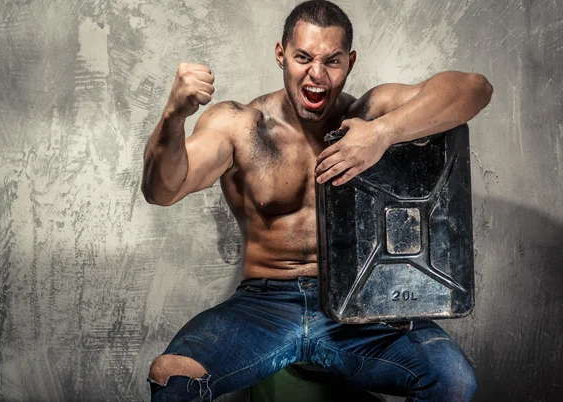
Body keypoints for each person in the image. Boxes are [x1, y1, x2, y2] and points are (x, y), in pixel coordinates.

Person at [141, 1, 493, 401]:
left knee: (453, 380)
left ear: (351, 62)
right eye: (303, 58)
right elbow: (162, 190)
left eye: (333, 61)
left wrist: (382, 134)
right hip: (264, 306)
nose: (317, 74)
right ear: (281, 54)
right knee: (175, 380)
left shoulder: (369, 113)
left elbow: (475, 89)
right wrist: (173, 114)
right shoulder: (241, 124)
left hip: (358, 306)